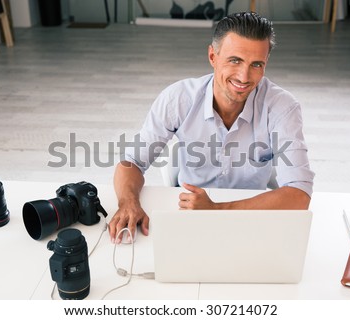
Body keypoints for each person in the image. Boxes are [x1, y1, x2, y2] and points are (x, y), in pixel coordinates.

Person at [108, 12, 315, 243]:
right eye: (234, 60)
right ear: (212, 56)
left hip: (250, 213)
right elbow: (132, 162)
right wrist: (128, 203)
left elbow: (299, 194)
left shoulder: (282, 107)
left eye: (256, 64)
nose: (244, 76)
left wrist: (217, 211)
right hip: (188, 211)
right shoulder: (178, 98)